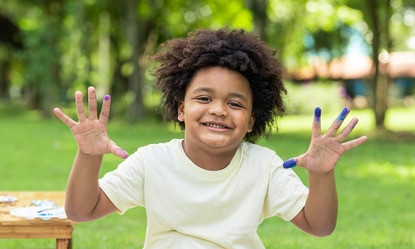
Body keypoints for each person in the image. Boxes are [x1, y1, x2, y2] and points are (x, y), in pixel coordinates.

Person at [53, 27, 367, 248]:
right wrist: (90, 154)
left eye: (235, 103)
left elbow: (320, 226)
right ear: (180, 108)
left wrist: (321, 175)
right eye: (204, 99)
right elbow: (82, 211)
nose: (218, 110)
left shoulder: (263, 166)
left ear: (250, 122)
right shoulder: (151, 162)